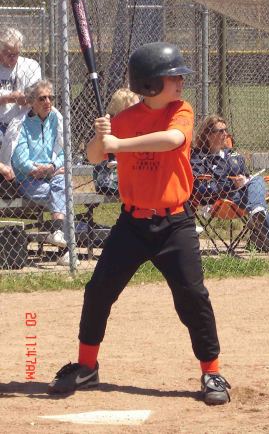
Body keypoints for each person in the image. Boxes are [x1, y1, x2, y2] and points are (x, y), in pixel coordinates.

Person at [47, 42, 231, 405]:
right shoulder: (124, 121)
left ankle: (212, 372)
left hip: (174, 224)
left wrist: (120, 141)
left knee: (192, 296)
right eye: (172, 76)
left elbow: (172, 140)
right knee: (98, 291)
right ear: (149, 84)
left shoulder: (182, 111)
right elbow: (94, 155)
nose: (180, 82)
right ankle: (87, 367)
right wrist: (104, 138)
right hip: (131, 225)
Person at [191, 114, 269, 254]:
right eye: (220, 131)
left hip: (241, 198)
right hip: (217, 202)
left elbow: (246, 175)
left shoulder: (233, 156)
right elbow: (202, 188)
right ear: (208, 135)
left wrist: (244, 181)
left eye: (226, 130)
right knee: (256, 198)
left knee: (256, 180)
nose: (225, 134)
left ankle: (258, 213)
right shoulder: (199, 158)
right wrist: (233, 185)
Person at [10, 79, 75, 266]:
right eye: (42, 98)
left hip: (52, 174)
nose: (48, 102)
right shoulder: (21, 123)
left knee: (61, 185)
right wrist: (36, 169)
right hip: (28, 180)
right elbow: (20, 160)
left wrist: (52, 167)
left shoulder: (56, 119)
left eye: (50, 97)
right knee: (62, 195)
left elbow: (64, 151)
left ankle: (57, 232)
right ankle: (65, 250)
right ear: (31, 101)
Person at [0, 27, 41, 141]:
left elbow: (33, 98)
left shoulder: (31, 65)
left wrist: (27, 99)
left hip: (22, 122)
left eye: (16, 54)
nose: (14, 58)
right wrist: (9, 98)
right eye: (9, 54)